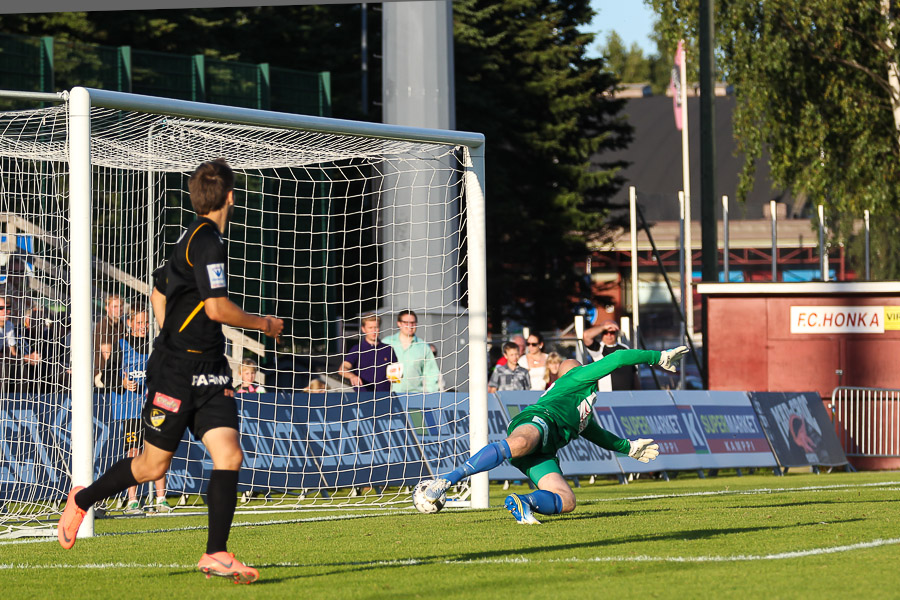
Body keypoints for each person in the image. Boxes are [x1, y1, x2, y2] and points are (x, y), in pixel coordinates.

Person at [58, 158, 284, 584]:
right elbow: (216, 308)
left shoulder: (198, 235)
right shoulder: (207, 241)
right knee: (152, 467)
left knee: (229, 454)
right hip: (177, 372)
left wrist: (169, 329)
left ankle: (216, 553)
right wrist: (265, 324)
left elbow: (159, 287)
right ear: (231, 198)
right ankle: (82, 499)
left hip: (212, 369)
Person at [424, 346, 688, 524]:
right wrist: (657, 356)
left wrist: (627, 448)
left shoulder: (583, 411)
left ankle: (523, 502)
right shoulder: (575, 379)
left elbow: (599, 435)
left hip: (543, 451)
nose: (587, 371)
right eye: (580, 368)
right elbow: (617, 358)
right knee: (521, 441)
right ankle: (447, 480)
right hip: (538, 422)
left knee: (567, 500)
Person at [382, 310, 440, 393]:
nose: (410, 326)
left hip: (415, 396)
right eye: (406, 322)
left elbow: (431, 373)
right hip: (390, 395)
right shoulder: (386, 342)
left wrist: (430, 395)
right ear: (399, 323)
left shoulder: (423, 346)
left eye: (413, 322)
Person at [338, 313, 397, 392]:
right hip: (363, 398)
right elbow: (342, 369)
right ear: (363, 329)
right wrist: (352, 376)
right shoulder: (357, 349)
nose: (373, 331)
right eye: (370, 328)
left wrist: (395, 377)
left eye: (376, 327)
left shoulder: (388, 349)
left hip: (384, 396)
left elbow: (396, 372)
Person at [582, 319, 641, 391]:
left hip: (627, 396)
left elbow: (633, 373)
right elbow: (586, 336)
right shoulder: (598, 349)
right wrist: (604, 327)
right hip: (607, 396)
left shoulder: (625, 348)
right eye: (605, 332)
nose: (609, 335)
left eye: (612, 332)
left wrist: (638, 392)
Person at [93, 293, 124, 388]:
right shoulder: (103, 326)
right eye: (114, 306)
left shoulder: (121, 324)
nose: (118, 309)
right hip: (103, 374)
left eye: (120, 306)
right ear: (107, 308)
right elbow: (108, 356)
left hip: (119, 369)